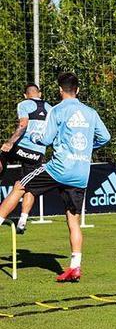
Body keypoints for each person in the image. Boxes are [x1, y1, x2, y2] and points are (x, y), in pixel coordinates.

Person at [0, 73, 109, 282]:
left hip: (59, 168)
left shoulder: (57, 110)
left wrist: (34, 136)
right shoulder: (91, 112)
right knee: (73, 219)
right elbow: (105, 137)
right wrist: (87, 148)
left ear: (60, 90)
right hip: (81, 172)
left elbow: (47, 139)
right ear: (77, 90)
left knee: (20, 185)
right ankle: (75, 267)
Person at [0, 83, 53, 234]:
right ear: (40, 94)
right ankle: (23, 220)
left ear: (25, 95)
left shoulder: (24, 104)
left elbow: (23, 125)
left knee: (2, 152)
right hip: (37, 154)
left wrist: (10, 142)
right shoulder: (51, 108)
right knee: (29, 186)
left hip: (21, 149)